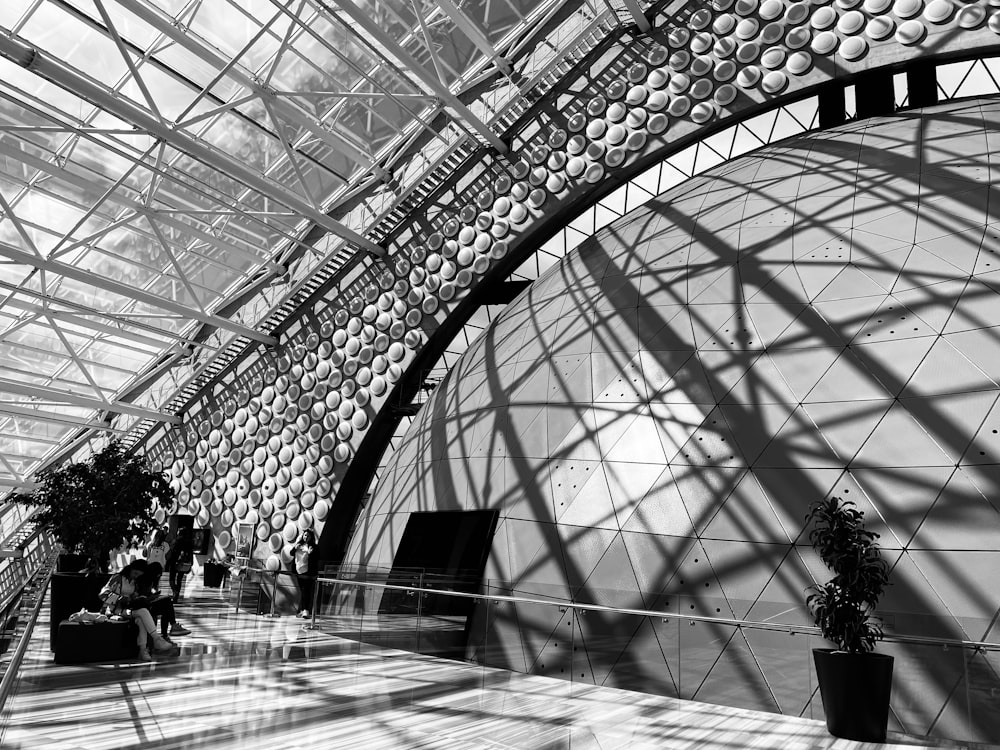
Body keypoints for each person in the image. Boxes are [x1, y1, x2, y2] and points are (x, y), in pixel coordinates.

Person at [99, 559, 180, 661]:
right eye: (135, 573)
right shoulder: (117, 578)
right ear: (131, 568)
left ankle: (143, 650)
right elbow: (103, 594)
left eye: (138, 575)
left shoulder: (134, 582)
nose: (136, 576)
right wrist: (121, 599)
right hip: (113, 610)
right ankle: (155, 640)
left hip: (126, 610)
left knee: (142, 616)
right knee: (143, 612)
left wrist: (140, 598)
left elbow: (133, 597)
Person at [136, 562, 191, 640]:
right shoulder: (144, 581)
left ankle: (167, 632)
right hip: (143, 606)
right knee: (167, 603)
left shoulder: (150, 581)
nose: (159, 577)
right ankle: (171, 628)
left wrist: (154, 596)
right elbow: (141, 597)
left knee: (166, 607)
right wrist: (152, 597)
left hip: (147, 604)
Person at [292, 530, 318, 618]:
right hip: (299, 571)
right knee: (303, 591)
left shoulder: (313, 546)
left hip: (308, 572)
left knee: (306, 591)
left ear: (311, 537)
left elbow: (316, 558)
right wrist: (295, 548)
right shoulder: (299, 545)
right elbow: (291, 553)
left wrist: (310, 554)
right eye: (304, 535)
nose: (306, 537)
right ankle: (303, 610)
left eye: (308, 536)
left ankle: (306, 610)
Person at [166, 527, 194, 601]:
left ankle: (174, 591)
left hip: (174, 562)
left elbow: (172, 552)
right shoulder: (189, 542)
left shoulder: (176, 541)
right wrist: (191, 563)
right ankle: (177, 593)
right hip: (183, 563)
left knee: (171, 578)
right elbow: (191, 553)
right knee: (179, 579)